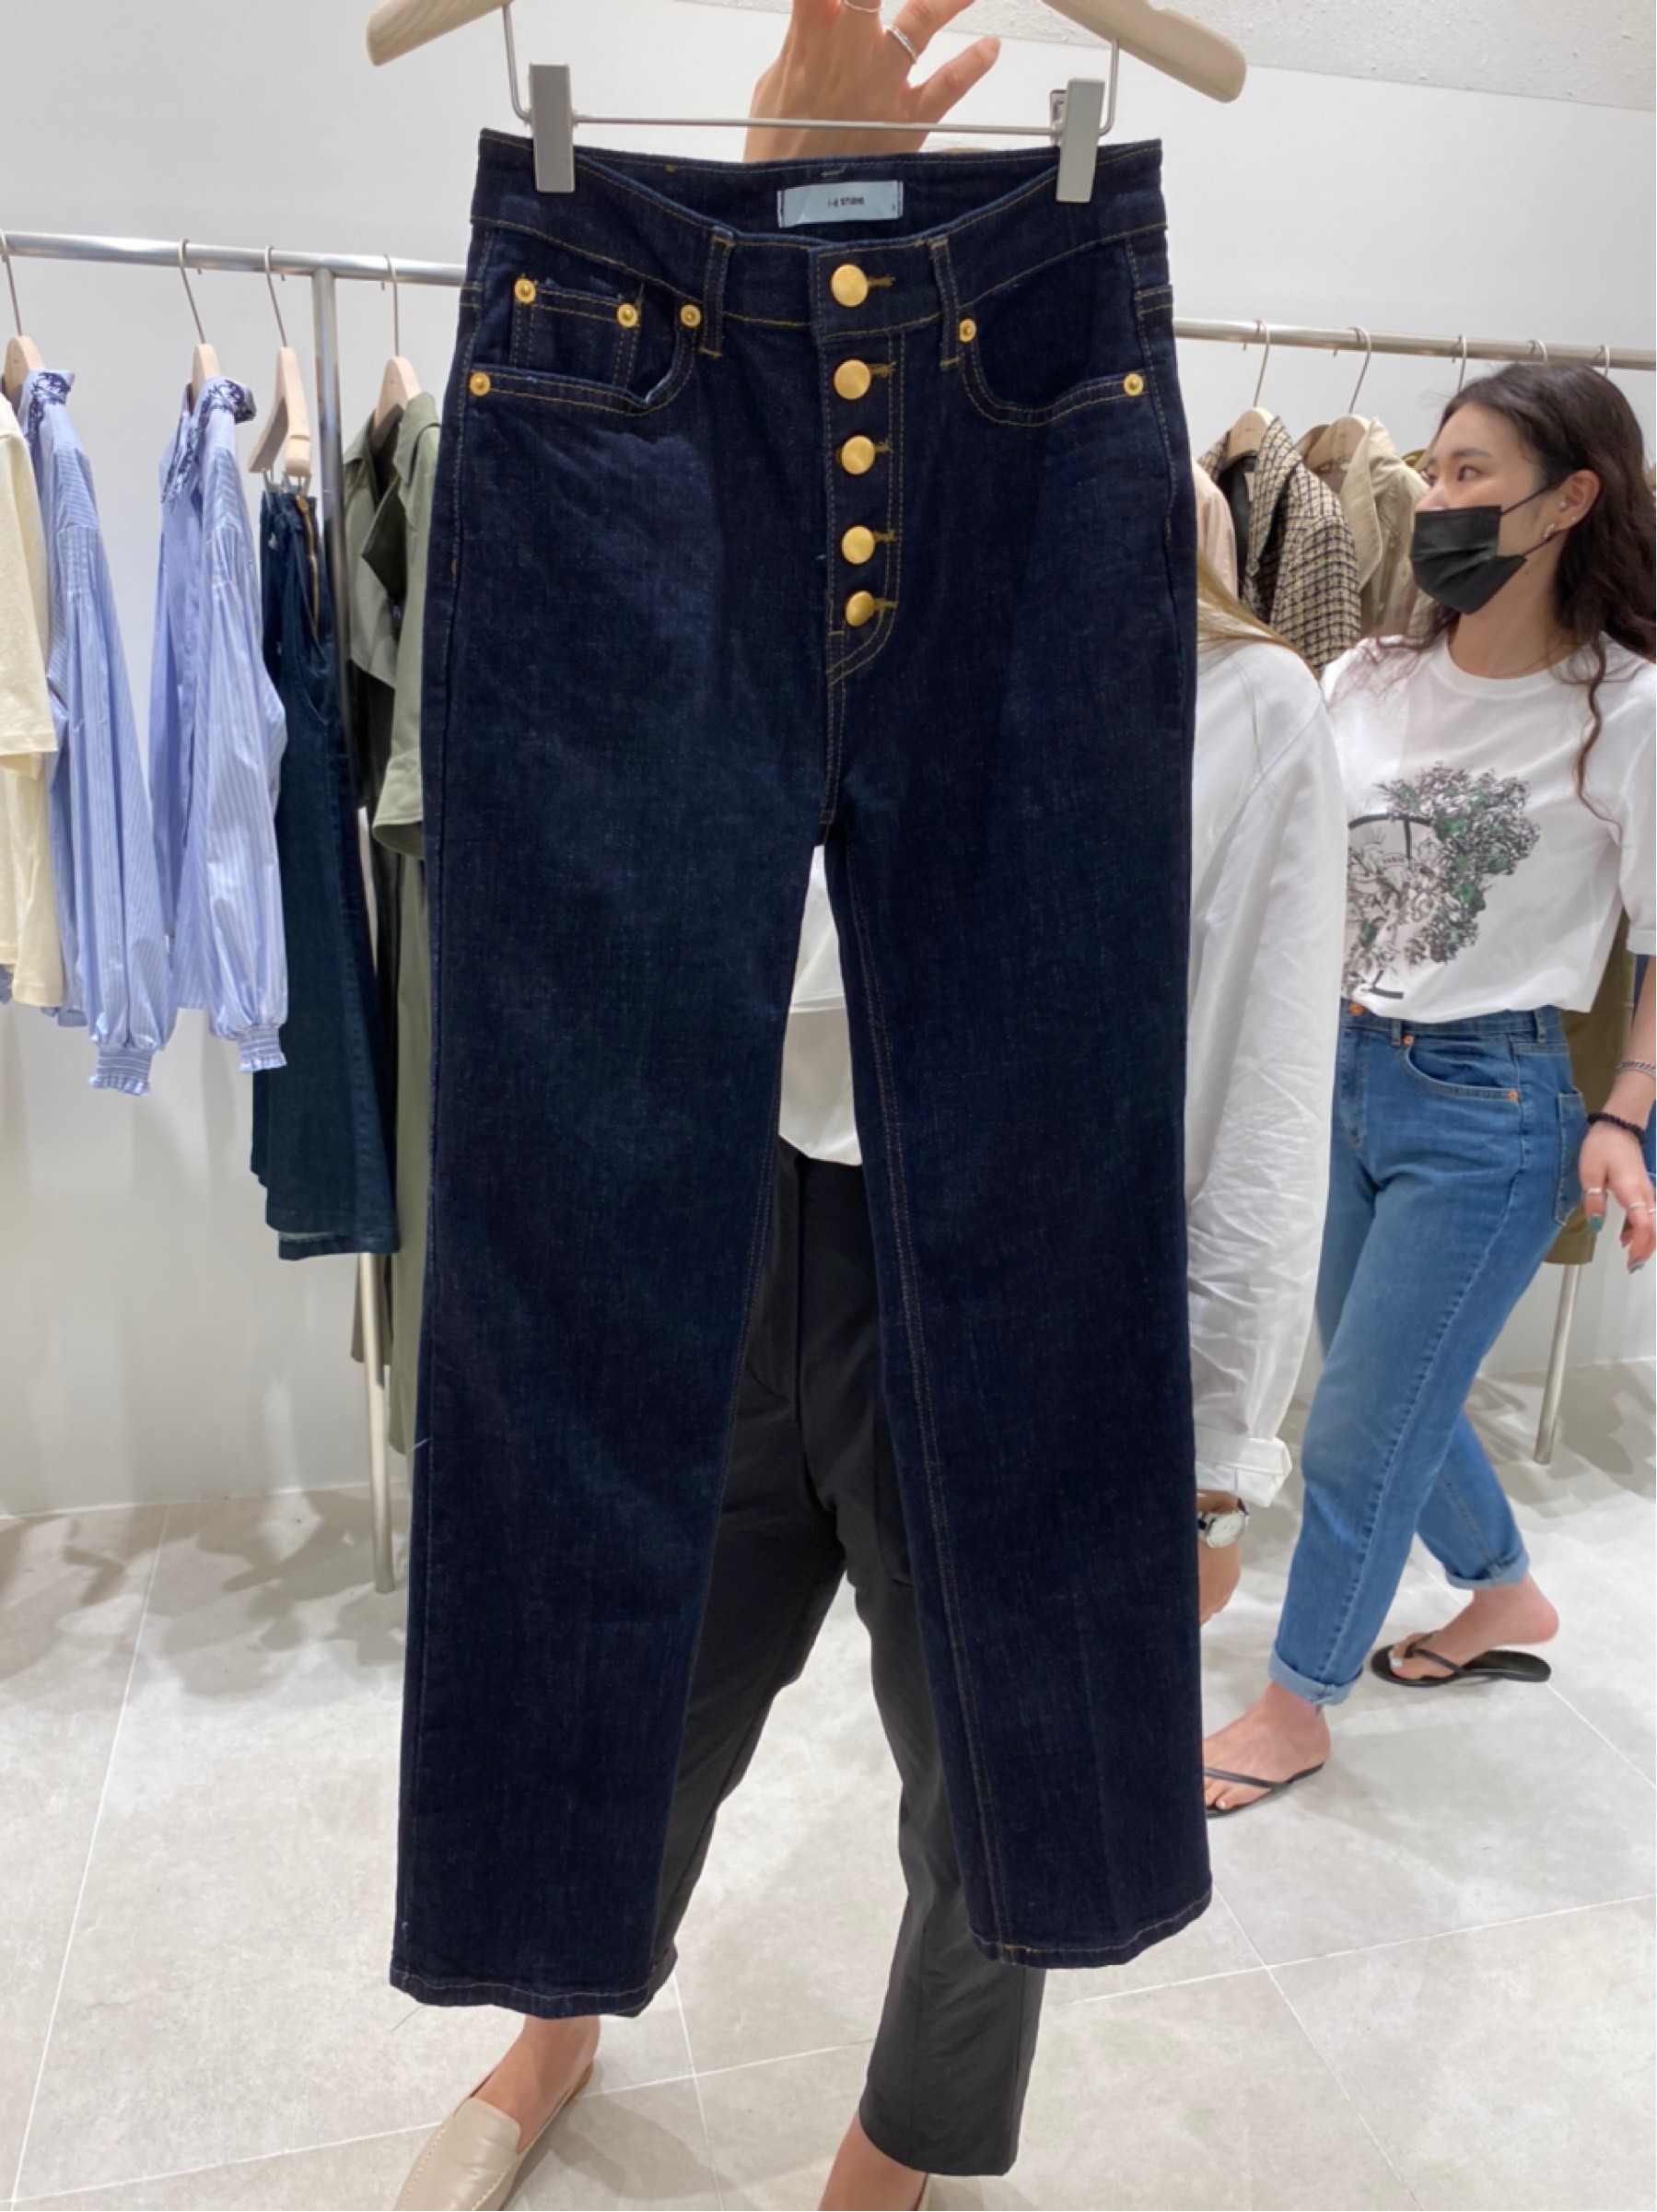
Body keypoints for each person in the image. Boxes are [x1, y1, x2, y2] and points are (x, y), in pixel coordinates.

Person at [394, 8, 1344, 2208]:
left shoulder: (1254, 708)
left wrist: (1217, 1444)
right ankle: (557, 2006)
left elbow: (1251, 1092)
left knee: (1002, 1729)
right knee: (643, 1636)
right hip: (742, 1207)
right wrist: (755, 233)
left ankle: (905, 2145)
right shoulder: (712, 503)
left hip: (1005, 1253)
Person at [1202, 362, 1656, 1817]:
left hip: (1491, 1105)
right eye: (1438, 470)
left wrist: (1626, 1115)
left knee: (1356, 1423)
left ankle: (1298, 1701)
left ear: (1570, 500)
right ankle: (1502, 1590)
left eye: (1470, 475)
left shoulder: (1629, 707)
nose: (1438, 498)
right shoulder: (1365, 677)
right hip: (1332, 1067)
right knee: (1377, 1376)